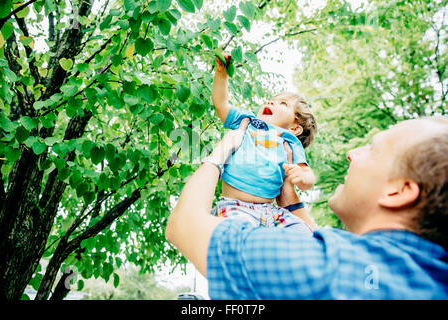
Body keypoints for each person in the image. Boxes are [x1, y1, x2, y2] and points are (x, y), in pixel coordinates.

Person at [165, 116, 448, 299]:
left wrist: (223, 150)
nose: (352, 154)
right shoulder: (427, 279)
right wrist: (292, 201)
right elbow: (314, 241)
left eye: (372, 150)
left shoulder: (332, 269)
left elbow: (184, 224)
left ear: (398, 191)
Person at [209, 54, 317, 231]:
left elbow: (307, 173)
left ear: (295, 129)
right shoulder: (247, 122)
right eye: (272, 99)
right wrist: (221, 76)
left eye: (282, 103)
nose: (272, 102)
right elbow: (221, 104)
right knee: (235, 235)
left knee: (304, 231)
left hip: (272, 211)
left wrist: (303, 178)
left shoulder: (289, 141)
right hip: (236, 206)